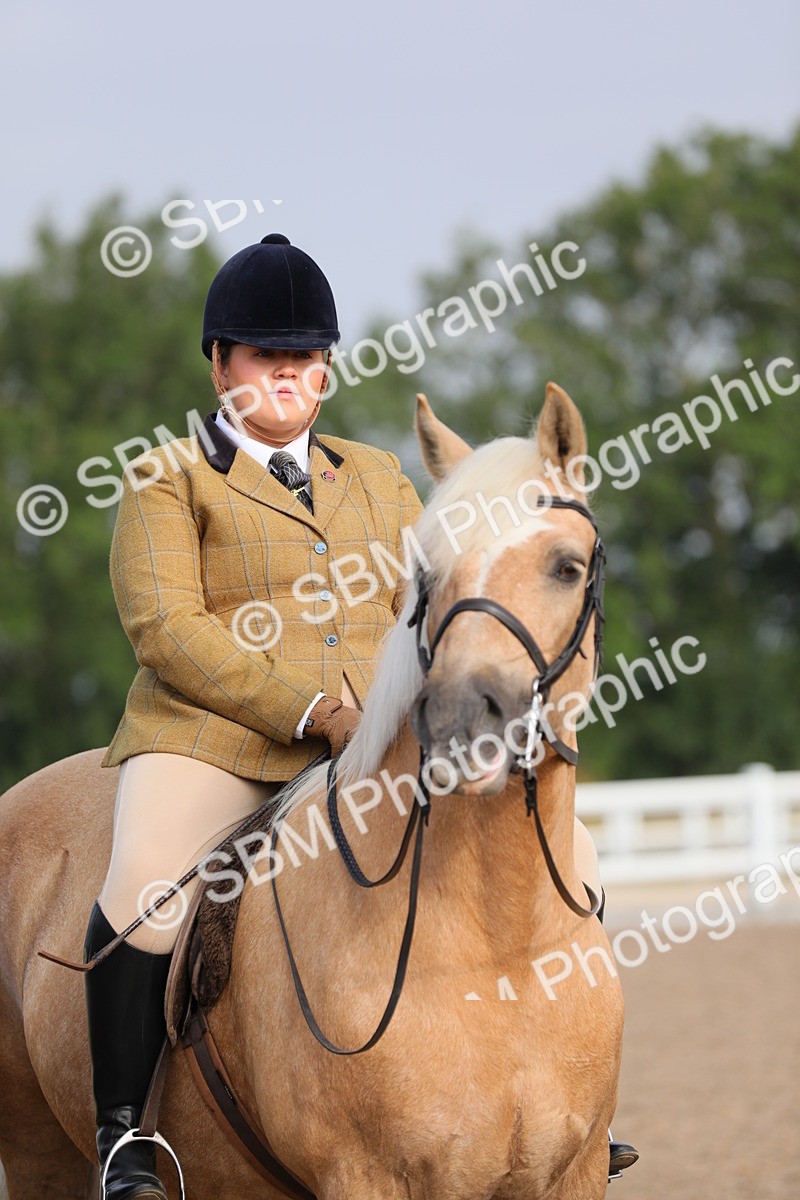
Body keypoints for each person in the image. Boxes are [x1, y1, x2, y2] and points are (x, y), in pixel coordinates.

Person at [82, 233, 636, 1199]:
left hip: (369, 744)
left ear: (327, 371)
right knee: (146, 891)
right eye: (263, 355)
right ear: (220, 366)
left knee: (573, 857)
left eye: (303, 357)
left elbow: (424, 607)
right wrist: (306, 706)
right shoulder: (167, 476)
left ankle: (578, 1102)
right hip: (215, 742)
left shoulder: (379, 477)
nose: (285, 373)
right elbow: (168, 630)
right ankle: (124, 1133)